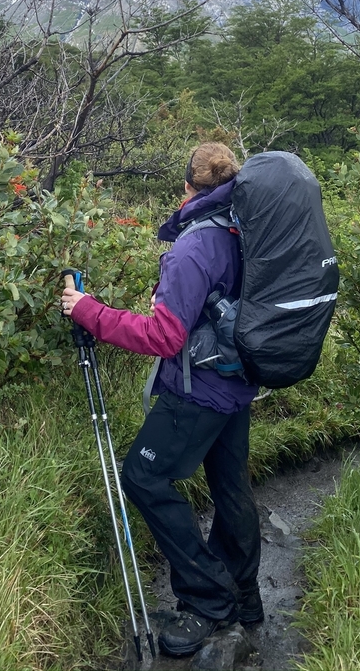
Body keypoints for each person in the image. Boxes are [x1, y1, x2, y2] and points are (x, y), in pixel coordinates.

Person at [61, 142, 263, 658]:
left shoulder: (195, 247)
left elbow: (164, 338)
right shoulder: (242, 227)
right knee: (230, 487)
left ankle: (208, 599)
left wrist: (89, 311)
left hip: (200, 388)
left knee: (142, 476)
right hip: (238, 380)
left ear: (189, 188)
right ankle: (244, 597)